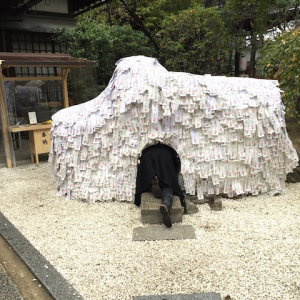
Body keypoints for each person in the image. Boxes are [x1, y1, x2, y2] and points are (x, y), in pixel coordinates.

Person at [134, 143, 185, 227]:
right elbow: (175, 167)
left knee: (146, 179)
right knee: (168, 184)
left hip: (146, 155)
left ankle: (152, 180)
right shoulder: (170, 151)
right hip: (164, 154)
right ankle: (166, 205)